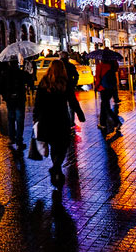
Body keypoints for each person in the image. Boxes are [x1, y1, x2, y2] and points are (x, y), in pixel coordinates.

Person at [33, 60, 85, 189]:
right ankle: (56, 167)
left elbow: (38, 102)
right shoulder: (64, 83)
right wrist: (79, 113)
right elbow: (72, 100)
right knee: (62, 145)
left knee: (53, 145)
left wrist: (35, 117)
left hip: (46, 119)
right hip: (61, 118)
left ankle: (56, 168)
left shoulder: (44, 82)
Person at [0, 58, 33, 150]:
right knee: (19, 119)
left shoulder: (5, 73)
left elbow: (0, 86)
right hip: (19, 99)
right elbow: (30, 81)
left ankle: (11, 138)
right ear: (17, 64)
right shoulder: (21, 73)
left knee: (11, 118)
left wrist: (5, 96)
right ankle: (19, 140)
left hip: (10, 99)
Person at [96, 59, 122, 136]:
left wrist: (97, 86)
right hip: (111, 89)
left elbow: (98, 77)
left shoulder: (100, 66)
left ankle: (117, 122)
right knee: (103, 105)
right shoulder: (112, 65)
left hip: (103, 88)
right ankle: (102, 123)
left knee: (106, 107)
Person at [59, 51, 81, 129]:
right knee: (71, 105)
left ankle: (65, 121)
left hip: (61, 88)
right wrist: (73, 83)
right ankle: (71, 122)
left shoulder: (59, 66)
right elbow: (76, 76)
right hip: (69, 87)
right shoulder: (70, 66)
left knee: (63, 105)